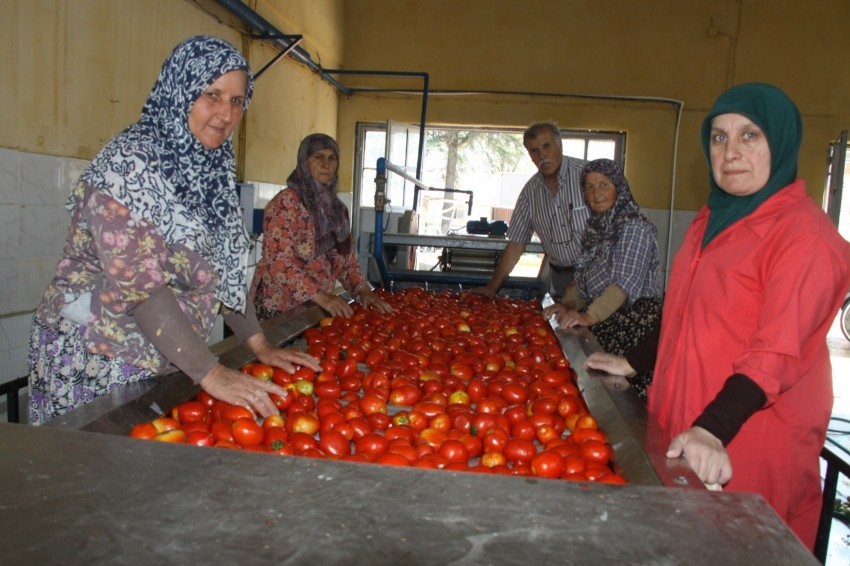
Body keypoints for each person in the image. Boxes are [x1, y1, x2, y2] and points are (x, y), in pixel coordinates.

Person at [28, 36, 320, 425]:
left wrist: (260, 345)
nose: (226, 114)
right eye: (211, 95)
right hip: (100, 352)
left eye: (237, 101)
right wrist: (211, 372)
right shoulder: (130, 162)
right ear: (178, 91)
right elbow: (141, 288)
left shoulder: (211, 168)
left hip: (168, 350)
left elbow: (226, 272)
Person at [612, 83, 850, 549]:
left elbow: (775, 355)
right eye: (719, 137)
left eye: (750, 136)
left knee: (738, 549)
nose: (731, 152)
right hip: (689, 423)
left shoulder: (804, 236)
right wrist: (632, 361)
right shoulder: (713, 218)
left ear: (780, 142)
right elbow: (682, 308)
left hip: (748, 436)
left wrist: (711, 428)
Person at [543, 159, 663, 401]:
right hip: (605, 320)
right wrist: (568, 304)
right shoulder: (597, 228)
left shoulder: (634, 228)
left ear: (619, 187)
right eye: (589, 187)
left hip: (633, 328)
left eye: (604, 185)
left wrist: (588, 316)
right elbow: (583, 277)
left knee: (622, 401)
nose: (596, 194)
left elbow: (623, 286)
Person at [250, 133, 392, 320]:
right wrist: (321, 297)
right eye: (318, 157)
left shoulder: (338, 211)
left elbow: (347, 261)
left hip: (315, 310)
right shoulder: (286, 204)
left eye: (332, 158)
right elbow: (279, 263)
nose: (326, 164)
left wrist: (363, 290)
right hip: (277, 311)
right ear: (304, 161)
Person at [473, 122, 590, 299]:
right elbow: (516, 243)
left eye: (546, 146)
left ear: (560, 145)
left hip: (597, 275)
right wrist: (492, 287)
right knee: (565, 325)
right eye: (534, 151)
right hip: (561, 280)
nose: (542, 155)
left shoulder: (588, 176)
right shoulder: (530, 192)